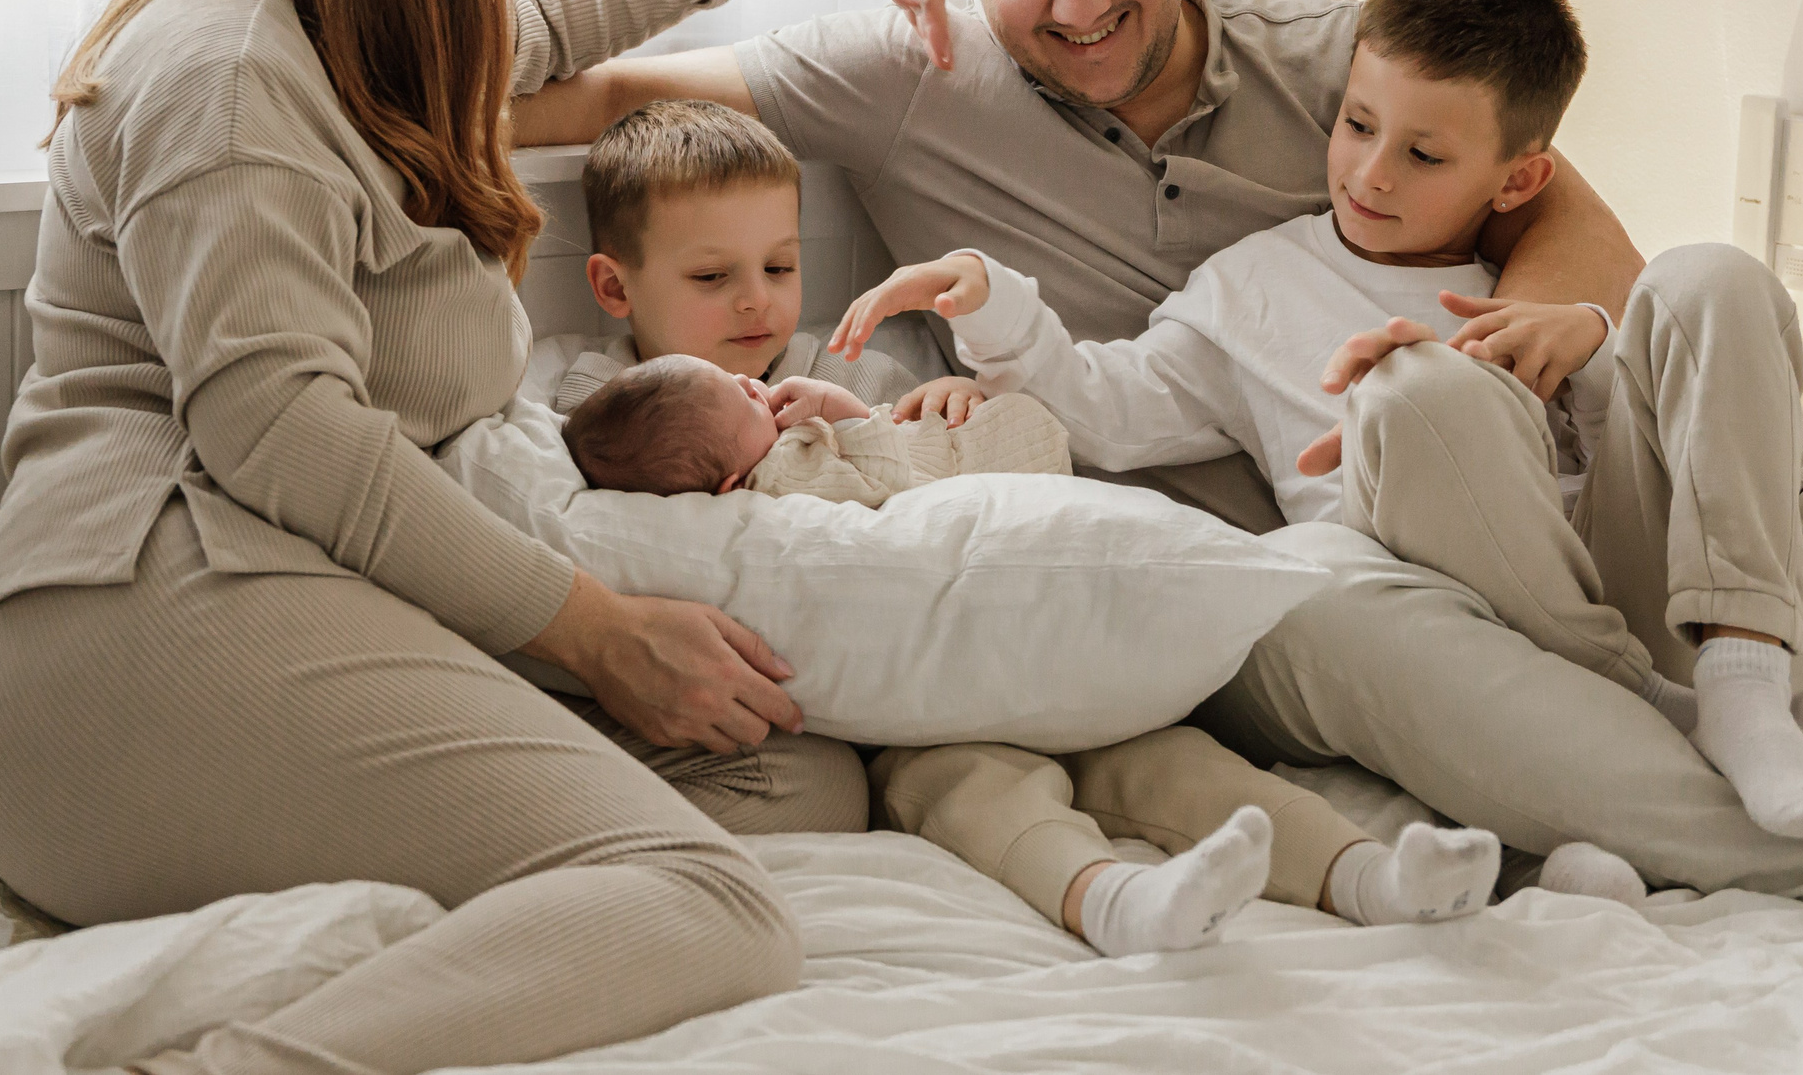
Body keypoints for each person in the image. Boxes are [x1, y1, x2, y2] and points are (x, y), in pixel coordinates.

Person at [513, 0, 1803, 935]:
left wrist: (1537, 324)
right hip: (1292, 572)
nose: (1077, 9)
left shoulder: (1344, 70)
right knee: (1375, 544)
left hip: (1542, 511)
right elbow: (559, 95)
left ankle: (1677, 719)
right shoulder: (896, 69)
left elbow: (1559, 205)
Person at [0, 0, 968, 1074]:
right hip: (135, 622)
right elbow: (279, 431)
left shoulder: (353, 22)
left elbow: (538, 8)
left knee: (791, 781)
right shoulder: (228, 70)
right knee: (712, 899)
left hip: (278, 583)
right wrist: (599, 630)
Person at [836, 0, 1803, 843]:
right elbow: (1104, 408)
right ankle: (1649, 715)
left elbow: (1645, 469)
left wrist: (1595, 339)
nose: (1369, 172)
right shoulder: (1249, 288)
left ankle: (1741, 683)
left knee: (1733, 289)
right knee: (1418, 390)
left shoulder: (1538, 289)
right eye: (1354, 125)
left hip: (1616, 582)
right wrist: (991, 301)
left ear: (1517, 182)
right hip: (1446, 612)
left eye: (1422, 153)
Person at [562, 355, 1544, 952]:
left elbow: (972, 457)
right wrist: (839, 428)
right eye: (744, 398)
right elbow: (853, 497)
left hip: (1057, 675)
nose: (765, 390)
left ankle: (1371, 873)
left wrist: (862, 409)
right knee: (983, 795)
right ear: (730, 472)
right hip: (924, 722)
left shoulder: (818, 421)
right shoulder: (769, 494)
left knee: (1186, 765)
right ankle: (1112, 899)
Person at [525, 99, 948, 417]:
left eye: (778, 268)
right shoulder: (603, 402)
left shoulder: (859, 378)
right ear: (615, 287)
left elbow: (933, 459)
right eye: (711, 276)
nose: (757, 300)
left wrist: (953, 405)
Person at [562, 354, 1065, 502]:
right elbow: (884, 480)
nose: (748, 379)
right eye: (745, 398)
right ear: (730, 485)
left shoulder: (753, 454)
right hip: (1002, 460)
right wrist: (836, 403)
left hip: (951, 433)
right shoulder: (779, 478)